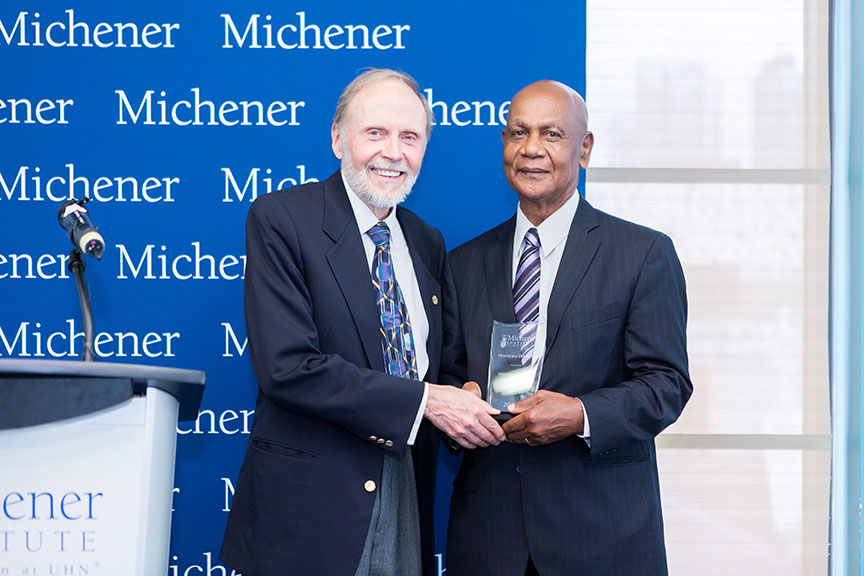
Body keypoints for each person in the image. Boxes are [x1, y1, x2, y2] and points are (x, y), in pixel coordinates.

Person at [220, 69, 505, 576]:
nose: (393, 152)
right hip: (310, 513)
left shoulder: (425, 241)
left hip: (405, 493)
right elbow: (288, 366)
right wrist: (429, 401)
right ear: (337, 139)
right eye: (375, 133)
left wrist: (468, 400)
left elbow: (435, 369)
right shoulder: (282, 219)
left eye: (409, 137)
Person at [442, 80, 692, 576]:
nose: (532, 147)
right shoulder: (461, 263)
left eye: (551, 133)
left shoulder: (642, 254)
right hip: (489, 540)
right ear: (504, 145)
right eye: (519, 132)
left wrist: (579, 414)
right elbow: (447, 378)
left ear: (584, 148)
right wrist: (461, 404)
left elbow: (666, 386)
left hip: (601, 537)